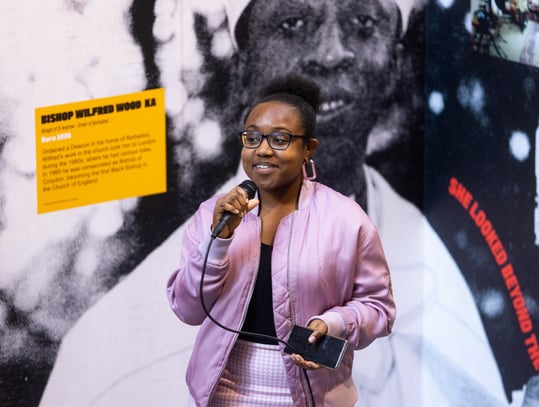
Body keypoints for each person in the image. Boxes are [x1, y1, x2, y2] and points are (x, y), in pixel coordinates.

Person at [40, 1, 516, 406]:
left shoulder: (427, 258)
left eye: (364, 23)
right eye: (292, 23)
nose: (333, 53)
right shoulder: (118, 349)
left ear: (394, 63)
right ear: (246, 65)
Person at [166, 75, 395, 406]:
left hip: (309, 395)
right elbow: (188, 309)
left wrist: (334, 323)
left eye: (280, 139)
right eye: (253, 137)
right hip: (221, 392)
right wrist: (218, 241)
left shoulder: (346, 219)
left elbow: (380, 308)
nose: (262, 150)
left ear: (308, 149)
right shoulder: (212, 214)